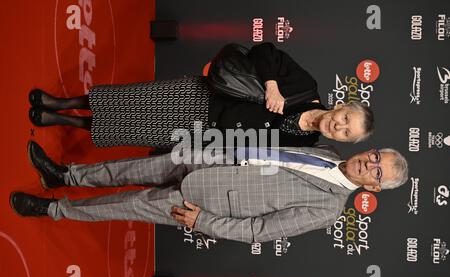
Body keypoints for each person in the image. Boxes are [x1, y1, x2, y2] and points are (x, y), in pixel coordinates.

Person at [10, 141, 408, 243]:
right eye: (376, 155)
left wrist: (205, 222)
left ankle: (51, 210)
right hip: (210, 159)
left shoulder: (329, 209)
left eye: (377, 171)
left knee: (126, 204)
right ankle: (63, 175)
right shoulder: (328, 152)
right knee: (133, 167)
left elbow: (260, 231)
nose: (369, 164)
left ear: (373, 187)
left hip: (205, 203)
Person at [27, 42, 374, 149]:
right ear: (341, 106)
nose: (338, 126)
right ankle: (64, 104)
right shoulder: (305, 87)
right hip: (203, 96)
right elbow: (265, 51)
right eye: (346, 119)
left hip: (206, 135)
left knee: (129, 130)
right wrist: (272, 85)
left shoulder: (307, 146)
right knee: (131, 100)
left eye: (346, 132)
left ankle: (60, 121)